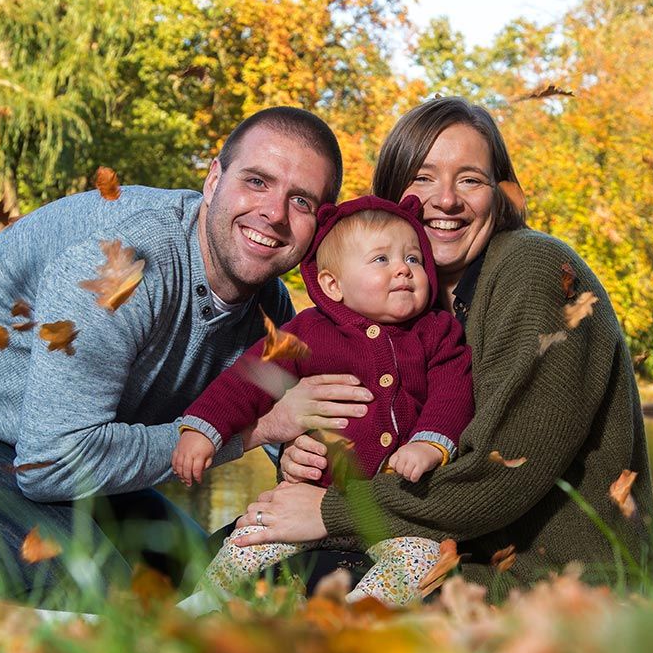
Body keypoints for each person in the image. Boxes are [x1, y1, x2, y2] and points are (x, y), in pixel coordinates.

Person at [0, 107, 374, 607]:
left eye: (301, 201)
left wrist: (312, 461)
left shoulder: (270, 311)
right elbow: (52, 462)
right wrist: (254, 432)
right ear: (213, 179)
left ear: (319, 224)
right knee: (89, 599)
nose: (274, 213)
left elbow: (298, 433)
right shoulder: (119, 263)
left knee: (193, 592)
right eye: (257, 182)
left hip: (60, 453)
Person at [233, 97, 653, 599]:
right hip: (441, 549)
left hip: (543, 581)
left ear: (501, 194)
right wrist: (306, 457)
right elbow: (390, 434)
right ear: (393, 196)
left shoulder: (534, 269)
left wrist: (330, 511)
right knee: (241, 544)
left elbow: (503, 473)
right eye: (423, 178)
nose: (447, 200)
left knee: (278, 579)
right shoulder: (412, 304)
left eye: (470, 180)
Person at [171, 194, 473, 611]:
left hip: (396, 510)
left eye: (414, 259)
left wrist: (429, 442)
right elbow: (250, 377)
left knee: (419, 560)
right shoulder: (310, 330)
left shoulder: (436, 332)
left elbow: (453, 392)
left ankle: (353, 616)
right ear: (333, 285)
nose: (404, 268)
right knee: (248, 540)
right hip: (310, 495)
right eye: (381, 259)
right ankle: (196, 611)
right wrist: (204, 428)